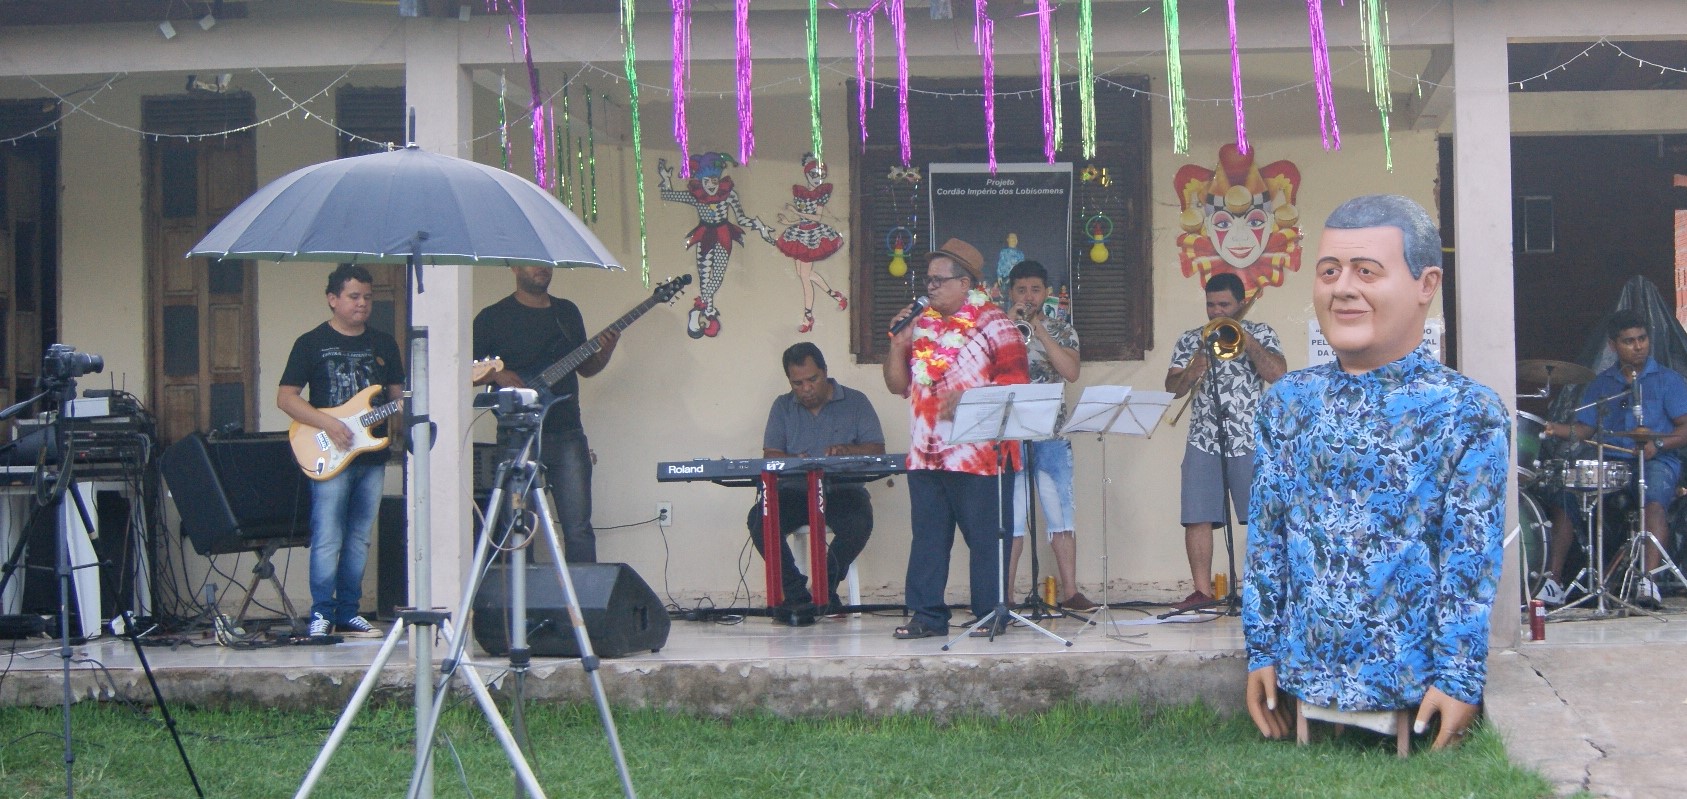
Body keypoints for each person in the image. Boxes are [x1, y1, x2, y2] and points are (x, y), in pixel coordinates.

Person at [1243, 194, 1509, 750]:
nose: (1343, 288)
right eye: (1329, 271)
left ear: (1426, 284)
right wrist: (1261, 652)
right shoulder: (1288, 403)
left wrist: (1459, 679)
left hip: (1409, 675)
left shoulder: (1465, 412)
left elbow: (1469, 561)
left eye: (1366, 271)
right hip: (1302, 669)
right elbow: (1267, 540)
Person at [883, 237, 1030, 639]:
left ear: (965, 283)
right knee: (928, 540)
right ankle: (927, 617)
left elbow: (1017, 387)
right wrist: (898, 345)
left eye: (938, 280)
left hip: (981, 458)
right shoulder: (920, 324)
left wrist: (968, 400)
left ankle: (990, 614)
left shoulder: (997, 326)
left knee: (986, 541)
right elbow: (897, 385)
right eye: (927, 280)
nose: (929, 287)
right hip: (926, 454)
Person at [278, 264, 406, 639]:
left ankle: (349, 611)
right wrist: (329, 424)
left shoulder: (384, 344)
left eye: (367, 297)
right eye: (353, 296)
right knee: (328, 535)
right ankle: (321, 612)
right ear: (332, 299)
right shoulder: (310, 343)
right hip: (328, 452)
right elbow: (286, 398)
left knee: (360, 536)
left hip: (371, 454)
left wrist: (413, 404)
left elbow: (398, 397)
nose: (362, 303)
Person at [1537, 309, 1687, 610]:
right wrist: (1552, 428)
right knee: (1567, 496)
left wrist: (1657, 444)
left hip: (1657, 461)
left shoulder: (1668, 380)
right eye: (1629, 341)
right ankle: (1553, 582)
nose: (1638, 346)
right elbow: (1585, 430)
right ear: (1613, 345)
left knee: (1653, 499)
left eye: (1642, 339)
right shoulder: (1602, 384)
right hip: (1612, 463)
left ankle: (1648, 580)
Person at [473, 265, 618, 564]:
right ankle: (520, 594)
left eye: (546, 263)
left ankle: (581, 594)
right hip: (517, 436)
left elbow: (586, 368)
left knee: (578, 528)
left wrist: (605, 351)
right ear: (514, 267)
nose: (542, 268)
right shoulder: (492, 317)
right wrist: (496, 374)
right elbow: (464, 368)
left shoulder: (567, 313)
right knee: (516, 526)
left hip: (567, 431)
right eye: (532, 262)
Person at [1164, 271, 1286, 611]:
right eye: (1211, 305)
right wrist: (1192, 370)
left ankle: (1264, 589)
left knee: (1262, 516)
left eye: (1224, 305)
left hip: (1249, 438)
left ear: (1241, 304)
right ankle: (1202, 592)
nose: (1216, 312)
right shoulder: (1192, 339)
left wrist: (1248, 341)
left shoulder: (1262, 333)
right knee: (1197, 516)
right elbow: (1172, 389)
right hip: (1203, 438)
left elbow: (1278, 374)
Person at [748, 343, 885, 614]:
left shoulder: (856, 402)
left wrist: (847, 451)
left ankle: (824, 588)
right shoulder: (782, 406)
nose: (806, 388)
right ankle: (796, 594)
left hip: (842, 491)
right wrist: (793, 460)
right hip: (794, 492)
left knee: (859, 523)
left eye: (812, 379)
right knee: (759, 520)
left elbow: (877, 450)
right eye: (797, 383)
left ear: (825, 372)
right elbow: (771, 455)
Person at [999, 260, 1093, 611]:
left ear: (1047, 293)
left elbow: (1071, 371)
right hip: (1008, 437)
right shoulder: (996, 329)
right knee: (1011, 521)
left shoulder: (1062, 330)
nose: (1028, 297)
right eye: (1021, 290)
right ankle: (1005, 597)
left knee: (1061, 516)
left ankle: (1071, 592)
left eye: (1035, 290)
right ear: (1009, 292)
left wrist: (1039, 330)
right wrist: (1007, 327)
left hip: (1052, 436)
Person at [774, 154, 848, 333]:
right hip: (800, 233)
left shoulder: (820, 194)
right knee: (803, 274)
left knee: (805, 277)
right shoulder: (801, 193)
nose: (817, 178)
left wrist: (795, 212)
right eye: (813, 174)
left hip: (812, 236)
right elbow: (804, 219)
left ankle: (808, 316)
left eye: (821, 175)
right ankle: (836, 296)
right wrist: (788, 222)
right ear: (806, 174)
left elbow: (817, 217)